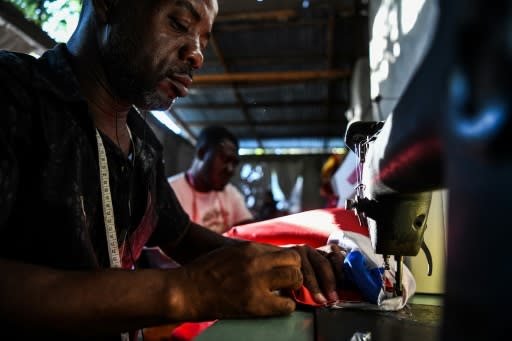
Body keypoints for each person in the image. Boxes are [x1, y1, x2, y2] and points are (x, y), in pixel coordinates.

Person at [0, 0, 341, 340]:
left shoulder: (143, 144)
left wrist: (287, 263)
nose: (197, 56)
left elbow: (181, 236)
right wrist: (184, 292)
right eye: (179, 23)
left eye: (203, 42)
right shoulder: (15, 94)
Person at [168, 125, 254, 234]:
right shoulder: (170, 191)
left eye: (234, 163)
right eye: (224, 159)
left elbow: (249, 232)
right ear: (202, 153)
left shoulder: (231, 193)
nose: (230, 169)